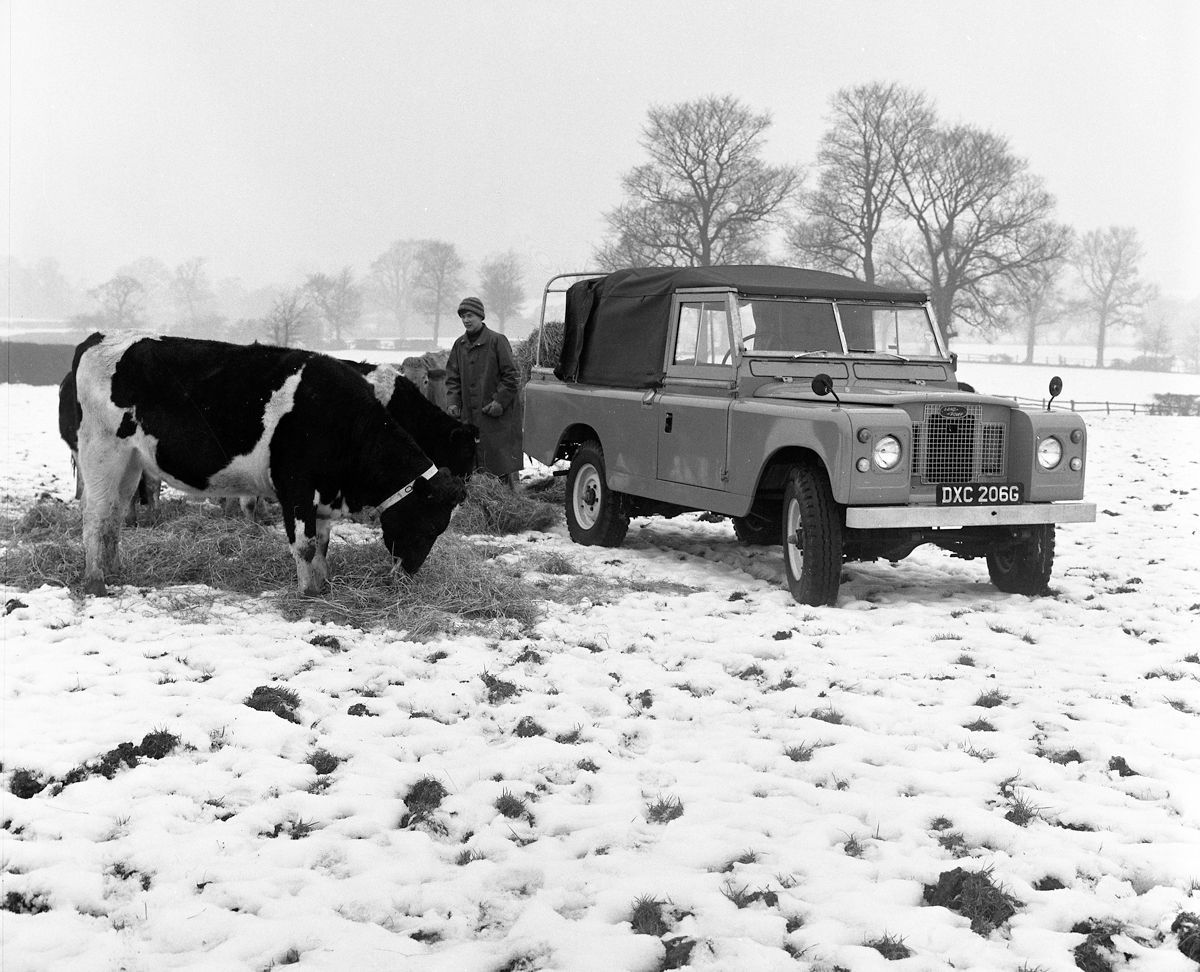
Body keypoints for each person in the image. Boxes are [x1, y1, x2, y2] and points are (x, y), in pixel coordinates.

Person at [445, 296, 523, 487]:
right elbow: (452, 377)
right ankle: (479, 504)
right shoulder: (459, 345)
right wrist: (453, 402)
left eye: (470, 315)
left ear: (480, 316)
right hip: (469, 417)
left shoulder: (497, 341)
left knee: (499, 465)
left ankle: (507, 502)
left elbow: (511, 376)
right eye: (463, 316)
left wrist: (499, 402)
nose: (466, 320)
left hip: (495, 417)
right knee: (472, 465)